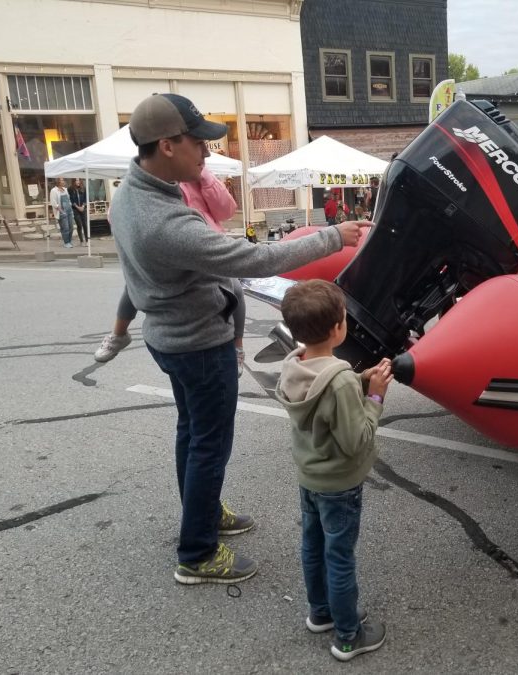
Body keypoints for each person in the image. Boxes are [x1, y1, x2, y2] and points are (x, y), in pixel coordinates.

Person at [108, 92, 365, 585]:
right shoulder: (164, 221)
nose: (206, 155)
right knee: (209, 445)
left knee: (192, 434)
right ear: (166, 145)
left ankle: (201, 513)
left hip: (171, 338)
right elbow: (254, 260)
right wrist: (334, 236)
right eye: (198, 145)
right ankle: (197, 553)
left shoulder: (133, 194)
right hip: (198, 345)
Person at [276, 279, 392, 662]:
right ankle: (347, 636)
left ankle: (321, 612)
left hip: (309, 479)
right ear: (339, 327)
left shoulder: (295, 364)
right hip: (340, 486)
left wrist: (360, 379)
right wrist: (374, 396)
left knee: (313, 547)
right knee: (339, 556)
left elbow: (325, 397)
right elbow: (357, 439)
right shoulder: (339, 379)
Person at [94, 167, 248, 377]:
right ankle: (119, 333)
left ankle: (237, 347)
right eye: (196, 145)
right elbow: (120, 216)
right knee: (133, 285)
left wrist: (204, 177)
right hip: (169, 246)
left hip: (206, 242)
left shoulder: (199, 176)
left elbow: (226, 210)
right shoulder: (148, 182)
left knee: (235, 288)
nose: (203, 153)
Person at [49, 177, 73, 248]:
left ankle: (69, 240)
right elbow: (53, 202)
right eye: (62, 180)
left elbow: (68, 199)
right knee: (65, 228)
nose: (64, 181)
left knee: (71, 227)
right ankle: (66, 242)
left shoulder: (65, 189)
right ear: (58, 182)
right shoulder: (54, 190)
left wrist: (70, 207)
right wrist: (61, 211)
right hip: (61, 212)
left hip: (69, 211)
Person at [68, 178, 88, 244]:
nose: (78, 181)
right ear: (73, 181)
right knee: (79, 225)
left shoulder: (83, 188)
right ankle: (81, 241)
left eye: (79, 180)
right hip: (75, 209)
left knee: (85, 224)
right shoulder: (70, 189)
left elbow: (86, 198)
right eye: (76, 180)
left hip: (83, 208)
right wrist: (77, 207)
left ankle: (87, 240)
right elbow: (71, 200)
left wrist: (83, 206)